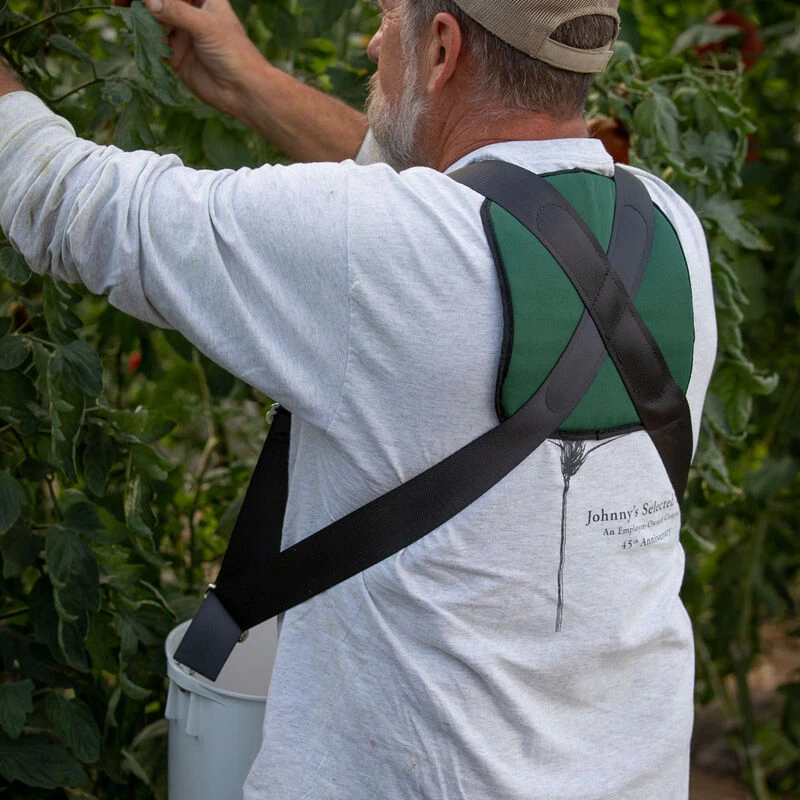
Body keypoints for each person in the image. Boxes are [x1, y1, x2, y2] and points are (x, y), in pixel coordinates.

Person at [0, 0, 717, 797]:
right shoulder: (668, 228)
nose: (374, 42)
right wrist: (252, 86)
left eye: (388, 17)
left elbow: (64, 198)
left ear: (442, 45)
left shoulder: (374, 249)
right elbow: (454, 202)